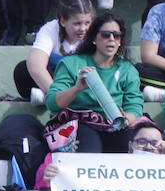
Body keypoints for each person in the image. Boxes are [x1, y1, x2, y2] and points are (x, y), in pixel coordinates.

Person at [44, 13, 144, 154]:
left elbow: (135, 107)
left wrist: (126, 119)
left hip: (114, 124)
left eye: (116, 35)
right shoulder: (71, 64)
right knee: (89, 149)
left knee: (129, 144)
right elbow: (52, 103)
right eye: (105, 35)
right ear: (94, 38)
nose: (111, 39)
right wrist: (77, 88)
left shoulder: (128, 70)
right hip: (79, 123)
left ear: (120, 40)